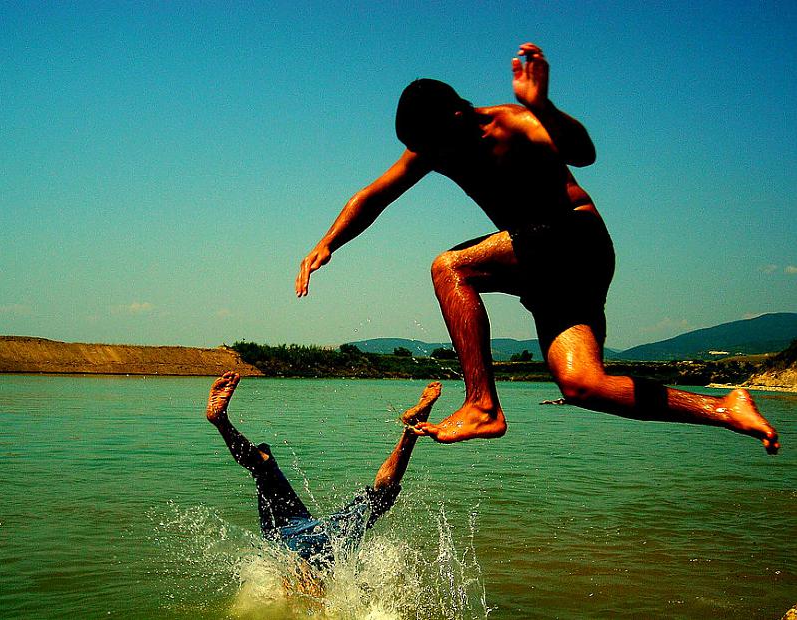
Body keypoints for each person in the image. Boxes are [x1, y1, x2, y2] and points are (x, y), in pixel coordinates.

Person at [295, 42, 779, 454]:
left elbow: (584, 153)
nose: (432, 158)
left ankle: (482, 404)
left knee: (451, 268)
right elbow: (373, 195)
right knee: (583, 384)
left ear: (458, 116)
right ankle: (724, 408)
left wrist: (542, 106)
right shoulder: (435, 148)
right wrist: (327, 244)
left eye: (434, 144)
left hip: (573, 238)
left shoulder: (514, 125)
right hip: (549, 264)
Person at [205, 371, 442, 574]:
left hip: (303, 539)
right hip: (313, 531)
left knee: (264, 467)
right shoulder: (329, 546)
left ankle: (221, 421)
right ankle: (411, 428)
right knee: (263, 467)